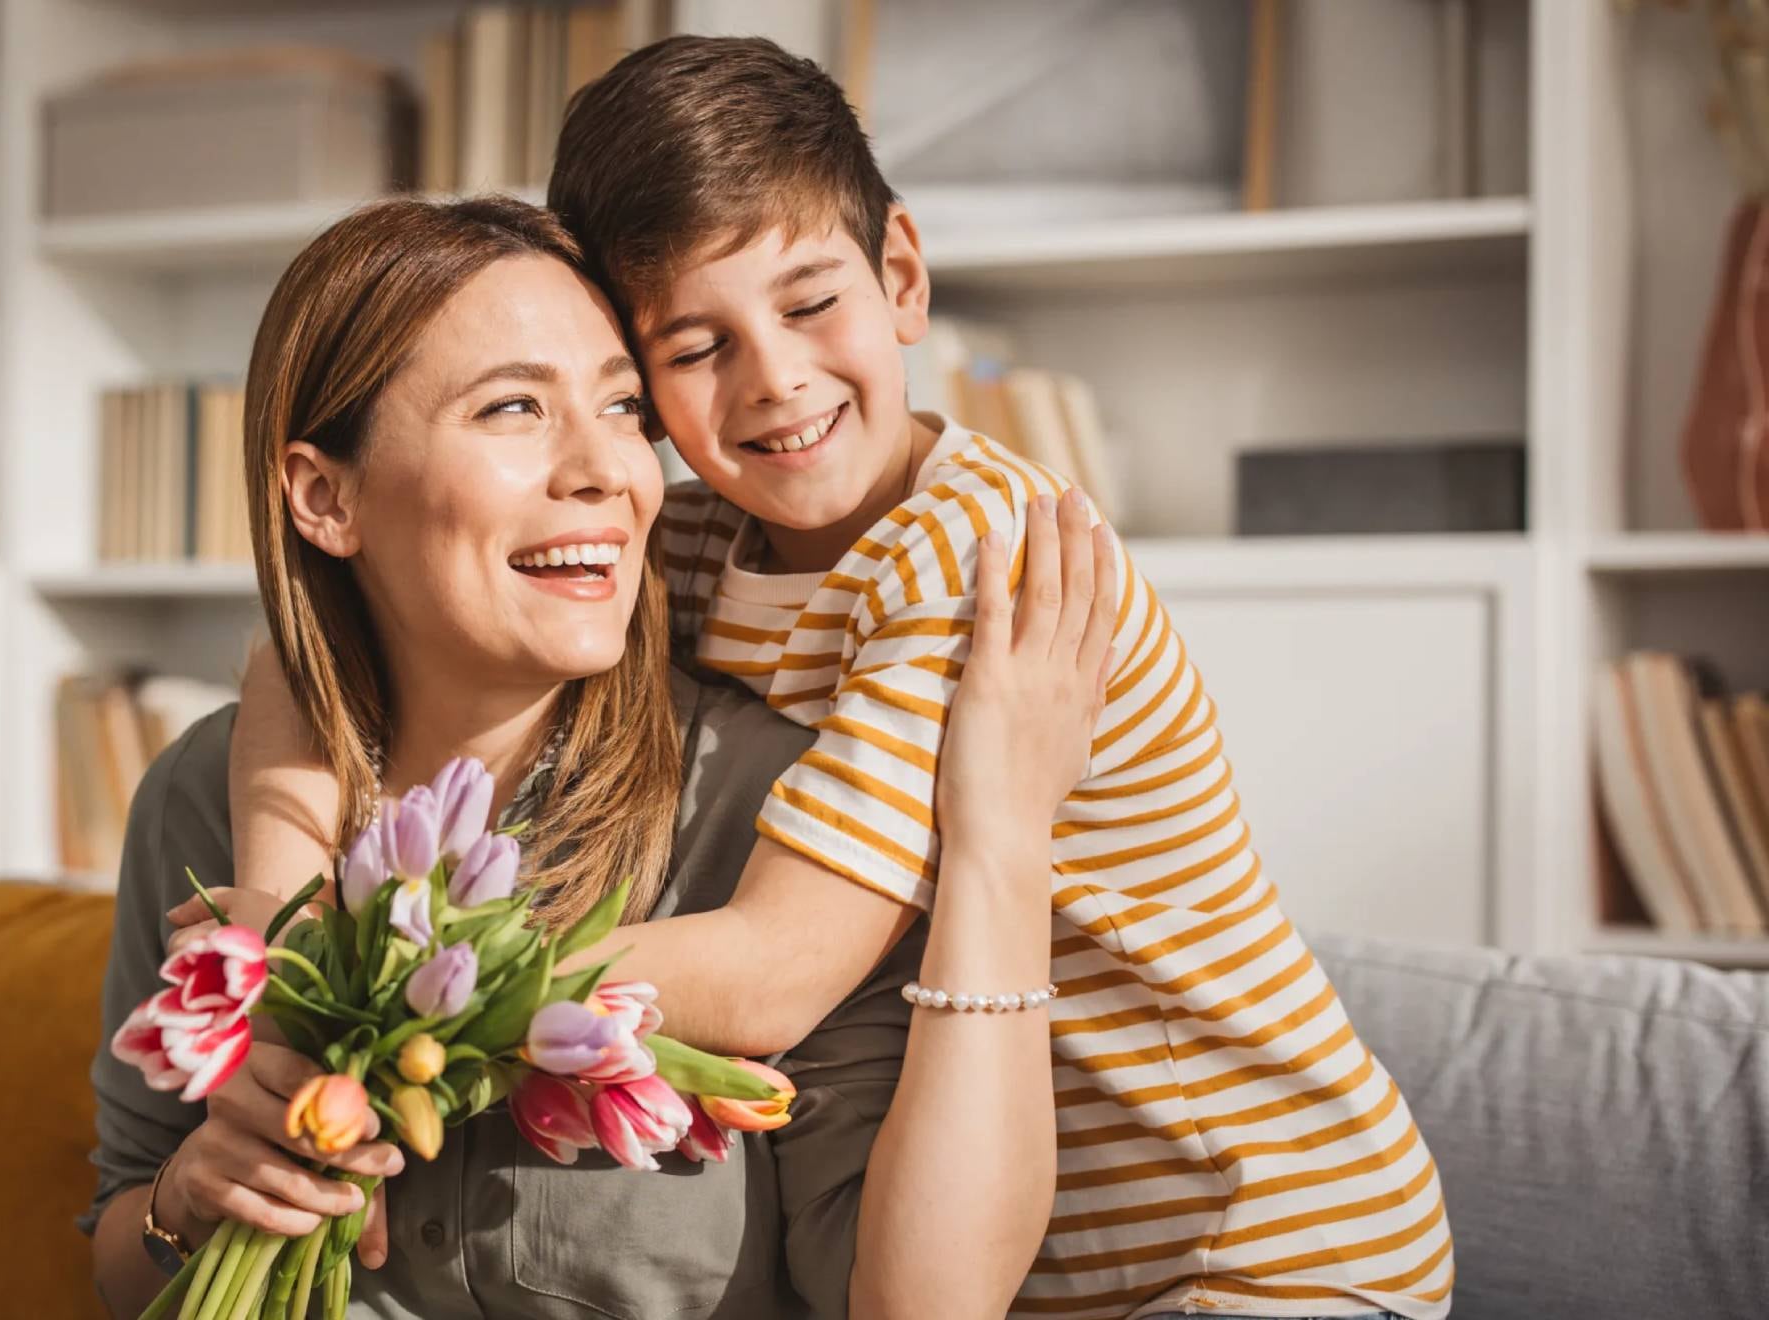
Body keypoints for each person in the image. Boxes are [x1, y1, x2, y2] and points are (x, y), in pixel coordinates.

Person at [233, 34, 1454, 1320]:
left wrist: (385, 992)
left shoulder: (973, 558)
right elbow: (302, 660)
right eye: (695, 347)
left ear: (902, 279)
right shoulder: (698, 539)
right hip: (1037, 1253)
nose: (775, 379)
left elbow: (771, 975)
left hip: (1266, 1236)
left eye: (811, 305)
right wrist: (277, 923)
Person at [83, 196, 1115, 1320]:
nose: (608, 473)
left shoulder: (773, 815)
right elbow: (122, 1250)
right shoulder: (205, 795)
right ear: (326, 496)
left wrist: (1000, 836)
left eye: (622, 407)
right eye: (515, 407)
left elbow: (923, 1306)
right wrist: (188, 1200)